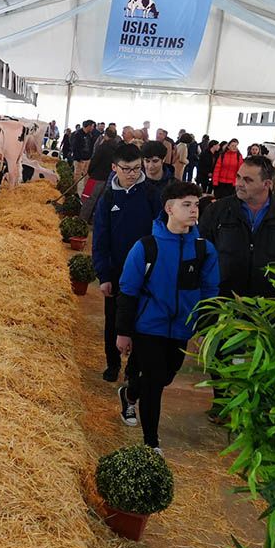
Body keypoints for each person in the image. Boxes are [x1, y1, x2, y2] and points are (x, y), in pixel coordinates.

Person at [115, 181, 219, 450]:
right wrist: (124, 332)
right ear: (169, 208)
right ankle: (152, 443)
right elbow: (128, 290)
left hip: (182, 328)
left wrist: (204, 324)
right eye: (187, 204)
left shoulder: (204, 250)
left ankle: (129, 394)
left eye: (196, 205)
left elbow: (210, 289)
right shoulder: (146, 247)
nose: (194, 210)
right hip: (150, 326)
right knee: (153, 384)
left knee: (165, 377)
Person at [91, 143, 162, 385]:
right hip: (117, 270)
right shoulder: (109, 195)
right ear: (114, 168)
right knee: (113, 320)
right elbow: (100, 236)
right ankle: (112, 363)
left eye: (136, 168)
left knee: (141, 322)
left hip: (146, 272)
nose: (132, 174)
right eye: (126, 169)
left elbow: (159, 231)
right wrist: (103, 275)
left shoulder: (152, 194)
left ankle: (133, 369)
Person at [199, 154, 275, 298]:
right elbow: (202, 249)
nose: (239, 184)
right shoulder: (217, 211)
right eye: (238, 177)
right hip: (224, 299)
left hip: (270, 303)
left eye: (247, 180)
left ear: (266, 184)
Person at [70, 120, 97, 191]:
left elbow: (91, 146)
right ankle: (74, 190)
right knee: (77, 176)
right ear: (88, 126)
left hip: (87, 158)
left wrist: (90, 156)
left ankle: (86, 190)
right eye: (92, 126)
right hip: (80, 159)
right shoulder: (78, 134)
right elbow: (74, 147)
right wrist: (79, 158)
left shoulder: (89, 135)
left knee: (87, 175)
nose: (93, 128)